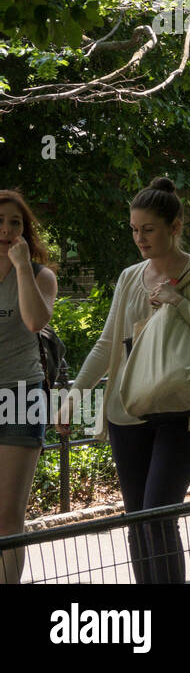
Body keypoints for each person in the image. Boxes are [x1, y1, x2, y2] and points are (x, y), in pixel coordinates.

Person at [64, 178, 190, 583]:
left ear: (175, 226)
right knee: (139, 519)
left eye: (149, 229)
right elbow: (107, 345)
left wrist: (177, 303)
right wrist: (74, 396)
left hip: (184, 410)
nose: (139, 238)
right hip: (128, 410)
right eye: (134, 229)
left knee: (158, 515)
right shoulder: (129, 277)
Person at [0, 191, 58, 584]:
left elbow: (36, 322)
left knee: (7, 516)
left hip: (22, 396)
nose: (6, 230)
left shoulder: (40, 275)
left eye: (15, 223)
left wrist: (21, 267)